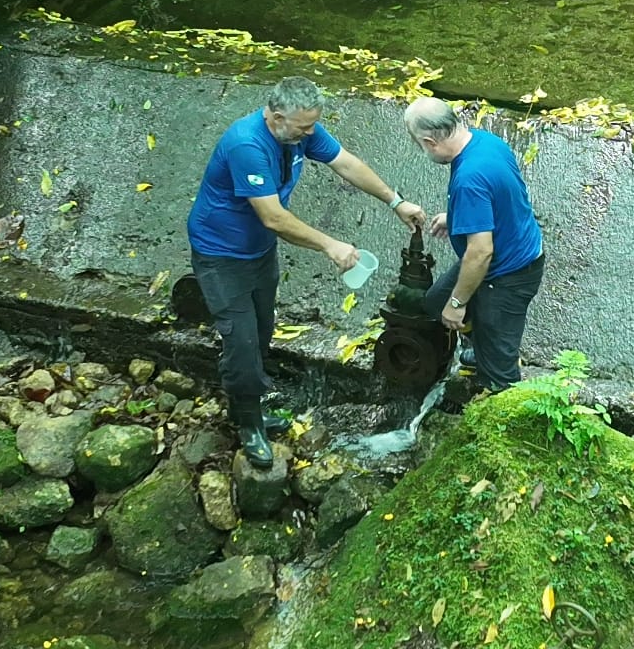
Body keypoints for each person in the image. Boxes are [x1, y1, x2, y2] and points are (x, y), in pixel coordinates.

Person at [188, 76, 426, 467]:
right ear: (276, 117)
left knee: (262, 329)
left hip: (258, 254)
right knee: (242, 341)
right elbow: (273, 218)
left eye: (314, 125)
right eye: (305, 127)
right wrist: (330, 245)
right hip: (221, 256)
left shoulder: (297, 132)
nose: (312, 133)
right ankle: (248, 423)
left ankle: (248, 399)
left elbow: (346, 163)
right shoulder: (247, 145)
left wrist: (395, 202)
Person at [404, 96, 544, 392]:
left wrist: (457, 304)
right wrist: (457, 218)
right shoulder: (484, 141)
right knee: (434, 302)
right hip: (503, 250)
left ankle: (504, 416)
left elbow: (481, 253)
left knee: (499, 372)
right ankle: (479, 346)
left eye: (419, 145)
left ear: (429, 142)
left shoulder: (468, 178)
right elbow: (496, 197)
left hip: (509, 274)